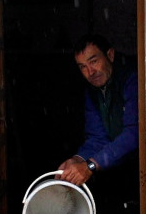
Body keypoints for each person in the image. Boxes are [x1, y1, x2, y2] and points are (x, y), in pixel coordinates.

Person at [56, 34, 138, 188]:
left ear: (110, 55)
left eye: (93, 61)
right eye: (82, 67)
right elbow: (98, 137)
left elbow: (134, 134)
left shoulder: (131, 79)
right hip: (120, 167)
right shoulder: (92, 91)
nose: (90, 72)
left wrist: (90, 166)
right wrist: (78, 159)